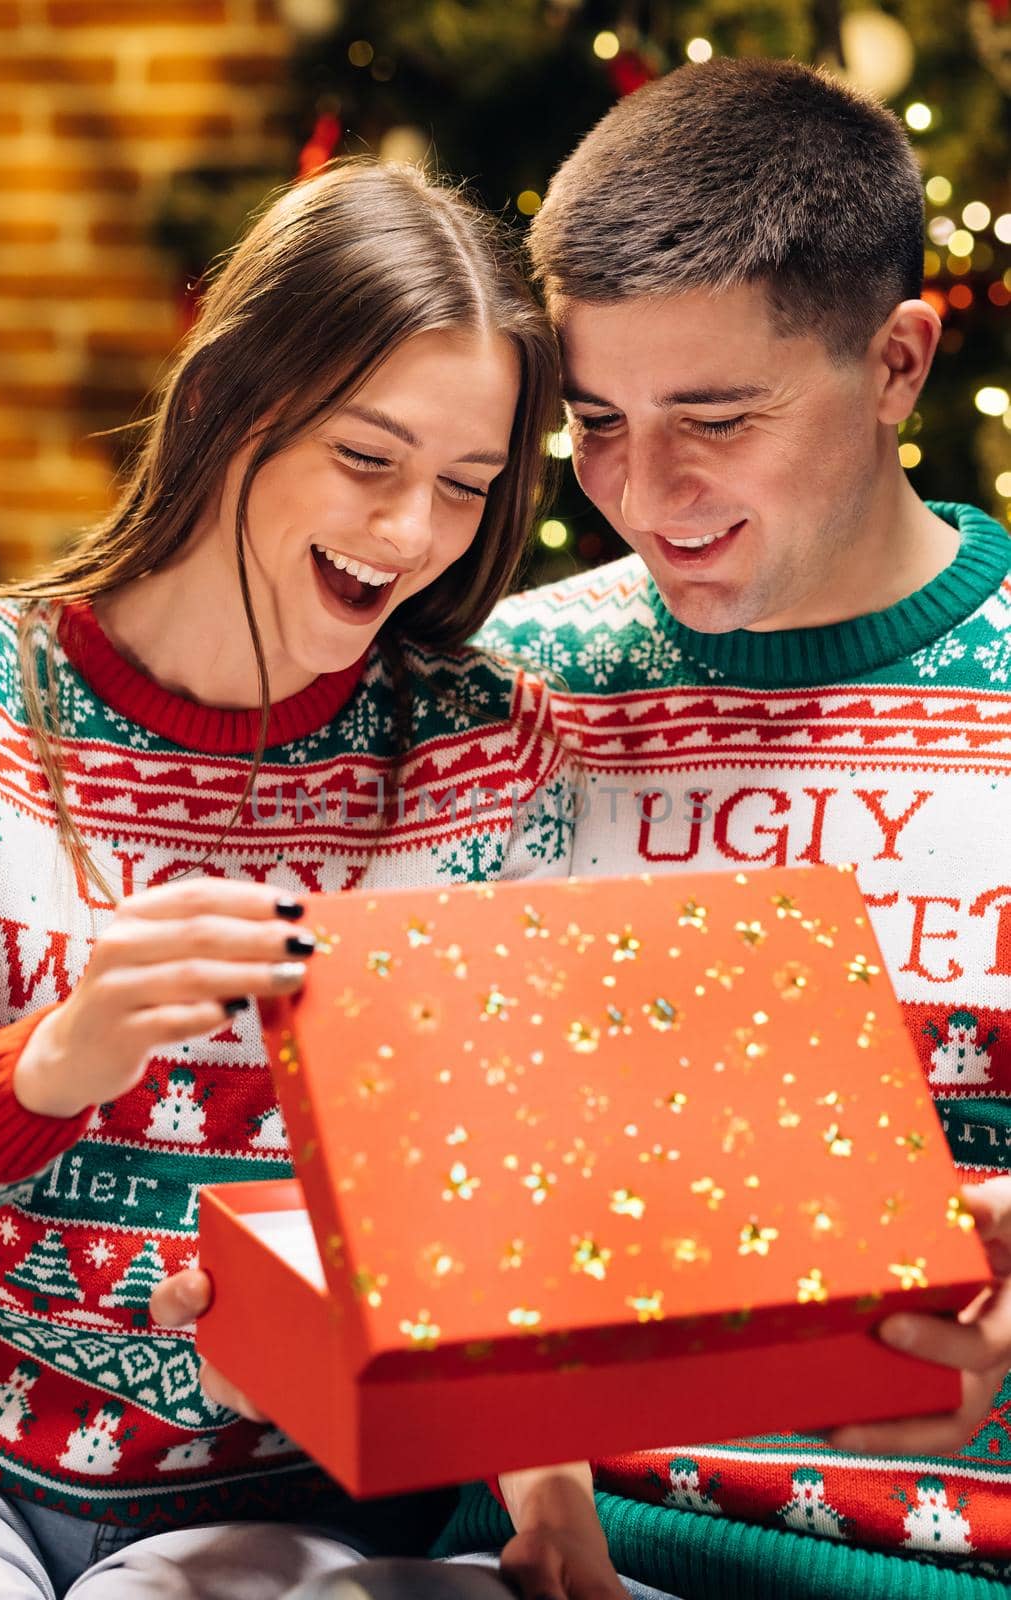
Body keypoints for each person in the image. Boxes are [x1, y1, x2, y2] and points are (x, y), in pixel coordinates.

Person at [0, 158, 666, 1600]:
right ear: (224, 404)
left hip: (303, 1507)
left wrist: (552, 1484)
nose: (410, 534)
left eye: (465, 488)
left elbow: (504, 1194)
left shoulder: (482, 748)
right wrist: (56, 1061)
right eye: (366, 458)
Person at [435, 54, 1011, 1598]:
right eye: (599, 420)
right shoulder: (507, 699)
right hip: (532, 1547)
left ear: (897, 362)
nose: (645, 489)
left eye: (716, 416)